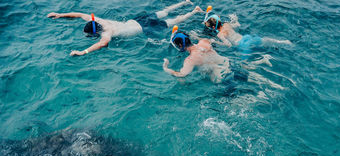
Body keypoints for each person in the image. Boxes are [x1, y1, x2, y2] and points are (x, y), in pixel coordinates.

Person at [47, 0, 202, 56]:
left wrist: (83, 52)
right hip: (136, 20)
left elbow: (102, 44)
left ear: (96, 32)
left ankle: (194, 11)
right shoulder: (101, 21)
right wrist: (59, 15)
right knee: (164, 12)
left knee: (173, 21)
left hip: (143, 28)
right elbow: (80, 14)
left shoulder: (106, 33)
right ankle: (184, 2)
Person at [202, 8, 291, 52]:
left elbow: (228, 45)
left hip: (242, 45)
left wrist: (214, 42)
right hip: (247, 37)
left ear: (213, 28)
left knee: (246, 65)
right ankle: (283, 42)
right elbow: (238, 25)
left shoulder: (219, 35)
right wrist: (235, 20)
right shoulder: (227, 24)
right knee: (265, 41)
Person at [163, 31, 235, 83]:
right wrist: (196, 36)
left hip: (221, 78)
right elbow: (212, 41)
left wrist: (166, 68)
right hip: (230, 65)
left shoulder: (190, 60)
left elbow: (181, 75)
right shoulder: (204, 41)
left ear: (180, 45)